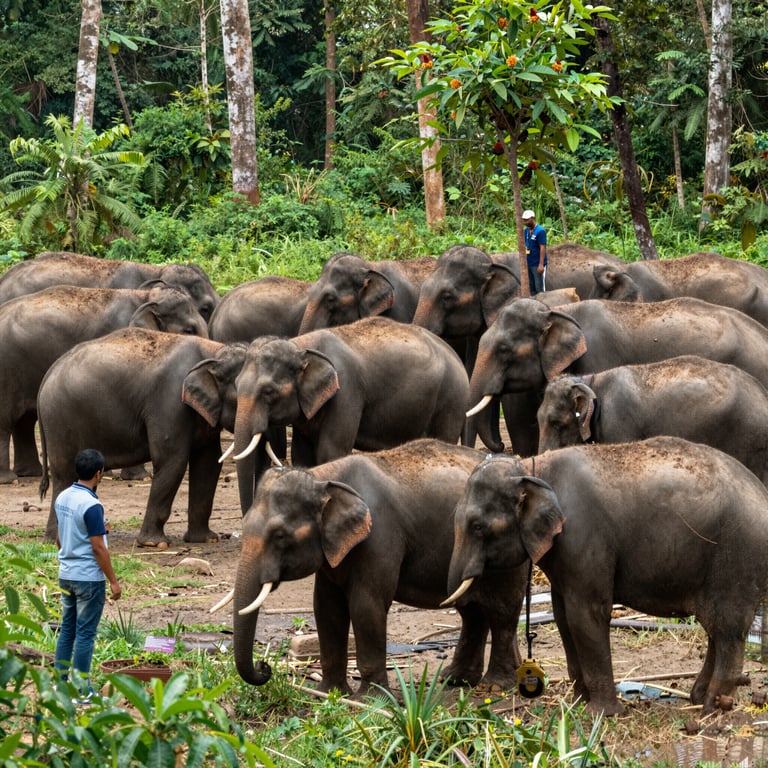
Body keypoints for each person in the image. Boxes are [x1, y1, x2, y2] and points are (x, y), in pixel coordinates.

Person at [54, 448, 122, 698]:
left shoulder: (62, 497)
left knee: (67, 629)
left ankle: (60, 685)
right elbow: (97, 548)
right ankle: (82, 690)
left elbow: (61, 538)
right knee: (85, 634)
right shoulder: (92, 505)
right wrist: (113, 581)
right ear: (99, 473)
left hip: (66, 573)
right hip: (88, 579)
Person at [522, 209, 547, 295]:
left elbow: (542, 247)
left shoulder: (540, 231)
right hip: (529, 262)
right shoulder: (526, 231)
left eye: (527, 220)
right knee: (531, 286)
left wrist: (541, 264)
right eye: (524, 220)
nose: (526, 222)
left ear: (533, 218)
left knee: (539, 287)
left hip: (537, 263)